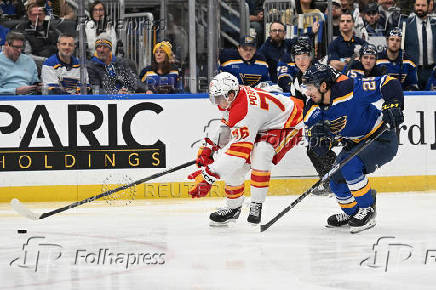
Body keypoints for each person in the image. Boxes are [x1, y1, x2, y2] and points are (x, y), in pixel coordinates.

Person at [187, 72, 303, 225]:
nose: (218, 103)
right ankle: (233, 208)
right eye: (215, 98)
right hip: (264, 124)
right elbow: (227, 125)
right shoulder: (233, 99)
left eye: (220, 98)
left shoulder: (246, 110)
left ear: (231, 94)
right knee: (234, 168)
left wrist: (208, 176)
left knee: (261, 153)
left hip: (288, 124)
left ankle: (256, 204)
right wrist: (210, 146)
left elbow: (237, 156)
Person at [302, 63, 404, 233]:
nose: (307, 92)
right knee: (334, 179)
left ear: (324, 86)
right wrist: (318, 140)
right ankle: (354, 212)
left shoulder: (350, 89)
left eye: (310, 87)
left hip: (381, 138)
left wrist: (393, 103)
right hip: (354, 144)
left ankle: (368, 209)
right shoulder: (311, 108)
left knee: (350, 166)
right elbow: (318, 149)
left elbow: (388, 82)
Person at [277, 37, 336, 196]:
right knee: (313, 149)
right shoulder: (296, 79)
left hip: (334, 116)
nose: (301, 60)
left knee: (319, 146)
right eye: (297, 57)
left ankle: (337, 180)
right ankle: (332, 181)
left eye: (305, 56)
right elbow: (298, 105)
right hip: (317, 121)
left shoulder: (322, 71)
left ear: (311, 56)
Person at [403, 0, 436, 89]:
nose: (420, 8)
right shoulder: (405, 25)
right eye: (417, 5)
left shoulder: (434, 24)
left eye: (423, 5)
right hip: (414, 71)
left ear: (429, 6)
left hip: (433, 71)